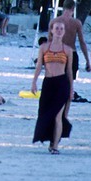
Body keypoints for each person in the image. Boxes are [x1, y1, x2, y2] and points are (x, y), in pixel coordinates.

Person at [31, 24, 74, 153]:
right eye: (57, 28)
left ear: (64, 31)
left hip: (61, 84)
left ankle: (55, 145)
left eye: (62, 29)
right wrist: (34, 82)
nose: (59, 31)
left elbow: (69, 71)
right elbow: (39, 66)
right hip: (48, 83)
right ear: (52, 30)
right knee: (45, 113)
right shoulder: (44, 47)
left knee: (58, 116)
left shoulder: (67, 50)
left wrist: (71, 89)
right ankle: (50, 140)